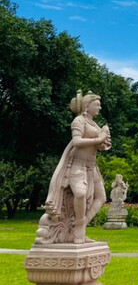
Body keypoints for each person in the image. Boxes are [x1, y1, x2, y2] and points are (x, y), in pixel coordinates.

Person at [39, 91, 111, 244]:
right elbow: (77, 141)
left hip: (92, 167)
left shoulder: (95, 124)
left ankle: (80, 227)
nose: (100, 107)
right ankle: (78, 227)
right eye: (97, 104)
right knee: (80, 194)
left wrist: (104, 139)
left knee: (101, 198)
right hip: (77, 165)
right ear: (87, 105)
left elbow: (100, 145)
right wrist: (99, 137)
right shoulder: (79, 121)